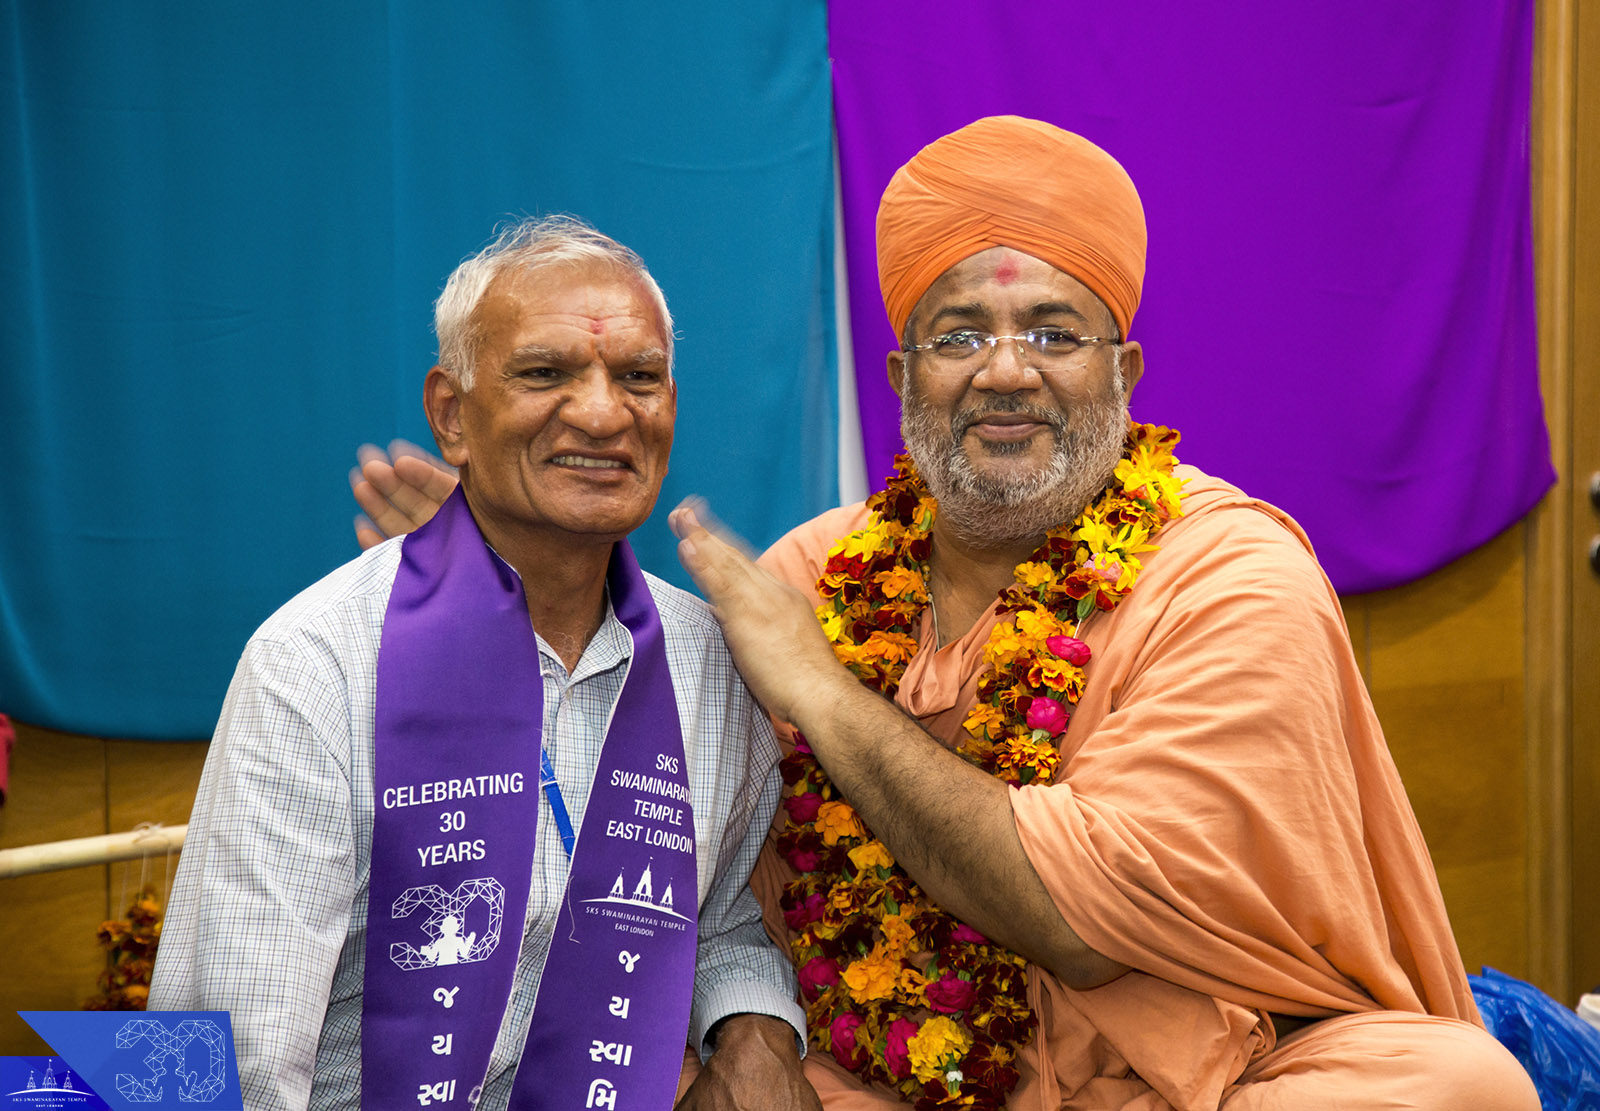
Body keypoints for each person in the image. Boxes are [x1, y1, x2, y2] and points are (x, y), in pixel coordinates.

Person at [353, 119, 1542, 1109]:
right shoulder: (818, 571)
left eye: (1054, 335)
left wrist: (821, 689)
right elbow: (670, 851)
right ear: (901, 379)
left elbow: (1081, 923)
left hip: (1206, 1080)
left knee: (1452, 1083)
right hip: (880, 1077)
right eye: (958, 335)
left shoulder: (1226, 577)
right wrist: (510, 597)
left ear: (1123, 376)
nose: (1006, 370)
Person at [151, 217, 815, 1111]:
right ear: (451, 415)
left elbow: (721, 917)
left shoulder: (703, 661)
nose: (602, 412)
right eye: (546, 373)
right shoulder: (316, 665)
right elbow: (224, 1061)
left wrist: (756, 1029)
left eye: (639, 378)